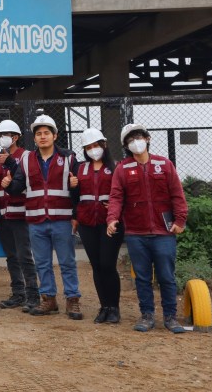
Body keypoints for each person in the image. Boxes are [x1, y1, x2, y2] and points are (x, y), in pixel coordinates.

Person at [107, 123, 188, 334]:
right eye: (131, 140)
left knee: (167, 277)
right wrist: (112, 218)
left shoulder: (165, 164)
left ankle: (170, 317)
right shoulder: (122, 169)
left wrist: (180, 221)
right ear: (126, 145)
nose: (136, 142)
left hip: (164, 232)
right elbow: (116, 197)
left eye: (139, 137)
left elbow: (177, 194)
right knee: (142, 278)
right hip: (136, 233)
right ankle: (147, 316)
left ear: (148, 138)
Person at [3, 114, 83, 319]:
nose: (43, 137)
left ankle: (72, 300)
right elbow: (18, 187)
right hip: (36, 220)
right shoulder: (27, 159)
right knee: (42, 262)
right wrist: (9, 185)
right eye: (38, 134)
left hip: (62, 220)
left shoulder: (69, 157)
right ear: (34, 138)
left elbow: (79, 189)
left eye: (46, 133)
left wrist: (76, 206)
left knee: (67, 261)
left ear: (55, 136)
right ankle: (48, 299)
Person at [73, 128, 124, 324]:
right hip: (87, 223)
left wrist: (114, 206)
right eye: (88, 147)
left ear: (104, 145)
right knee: (96, 266)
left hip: (110, 222)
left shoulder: (116, 167)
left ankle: (114, 307)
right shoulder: (80, 169)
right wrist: (75, 216)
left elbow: (123, 193)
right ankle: (103, 307)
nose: (93, 150)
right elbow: (75, 196)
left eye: (96, 145)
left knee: (107, 265)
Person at [0, 119, 39, 312]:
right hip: (3, 215)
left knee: (24, 255)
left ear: (15, 137)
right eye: (0, 136)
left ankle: (33, 294)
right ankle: (18, 293)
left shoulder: (27, 157)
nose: (2, 139)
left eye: (5, 135)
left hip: (21, 214)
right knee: (11, 255)